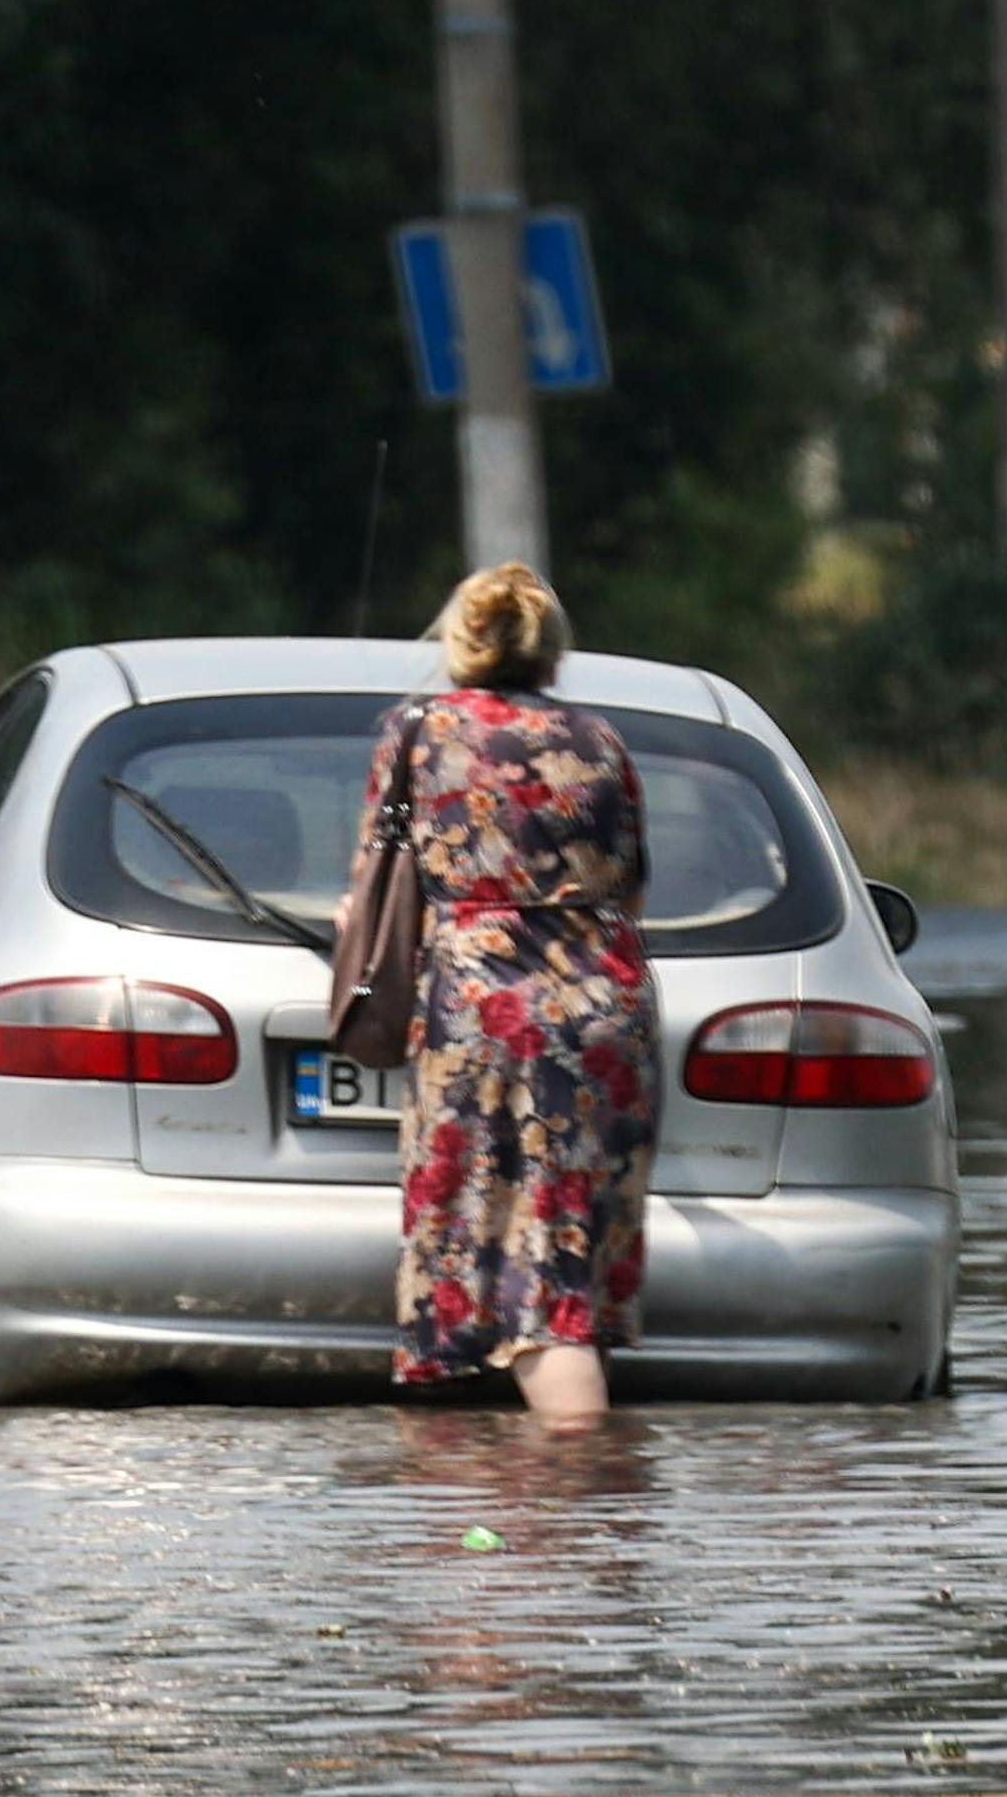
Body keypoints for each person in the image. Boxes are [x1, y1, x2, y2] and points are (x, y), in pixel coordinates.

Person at [344, 562, 660, 1423]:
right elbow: (630, 887)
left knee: (534, 1289)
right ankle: (545, 1496)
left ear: (460, 645)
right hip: (607, 1012)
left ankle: (570, 1486)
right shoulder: (601, 740)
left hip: (487, 1015)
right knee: (565, 1254)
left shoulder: (419, 731)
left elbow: (376, 879)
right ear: (553, 652)